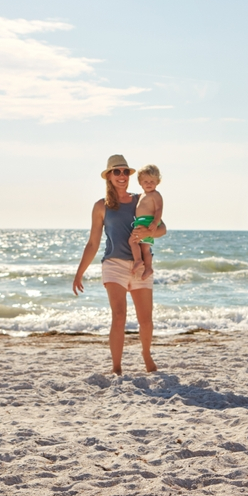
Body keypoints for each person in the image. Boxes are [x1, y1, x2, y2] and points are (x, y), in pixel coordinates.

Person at [73, 155, 166, 375]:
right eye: (117, 172)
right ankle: (116, 367)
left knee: (145, 318)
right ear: (109, 176)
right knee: (119, 316)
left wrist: (149, 231)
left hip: (140, 264)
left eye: (125, 172)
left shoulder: (140, 199)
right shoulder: (101, 206)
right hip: (114, 264)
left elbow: (162, 229)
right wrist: (79, 273)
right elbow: (93, 243)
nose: (122, 176)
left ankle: (146, 354)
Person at [130, 164, 164, 281]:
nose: (149, 184)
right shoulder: (142, 195)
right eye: (145, 181)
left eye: (152, 181)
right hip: (142, 221)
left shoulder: (155, 194)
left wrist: (155, 222)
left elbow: (159, 209)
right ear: (140, 182)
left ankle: (138, 260)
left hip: (147, 221)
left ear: (157, 182)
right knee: (145, 247)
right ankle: (148, 267)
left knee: (132, 240)